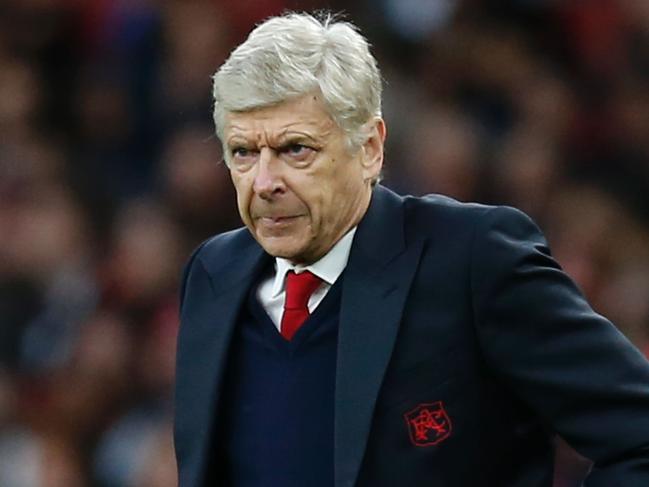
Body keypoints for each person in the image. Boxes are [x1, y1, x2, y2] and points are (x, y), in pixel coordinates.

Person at [173, 12, 649, 487]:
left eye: (296, 149)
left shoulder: (472, 261)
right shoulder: (213, 274)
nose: (264, 182)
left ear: (370, 148)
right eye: (243, 152)